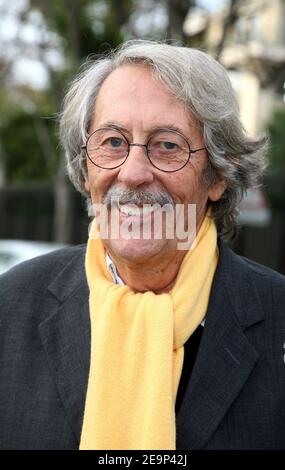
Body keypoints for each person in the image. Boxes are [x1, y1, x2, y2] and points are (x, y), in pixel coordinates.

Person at [0, 39, 284, 451]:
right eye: (112, 142)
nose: (132, 173)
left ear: (219, 176)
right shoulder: (10, 308)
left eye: (167, 145)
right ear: (84, 170)